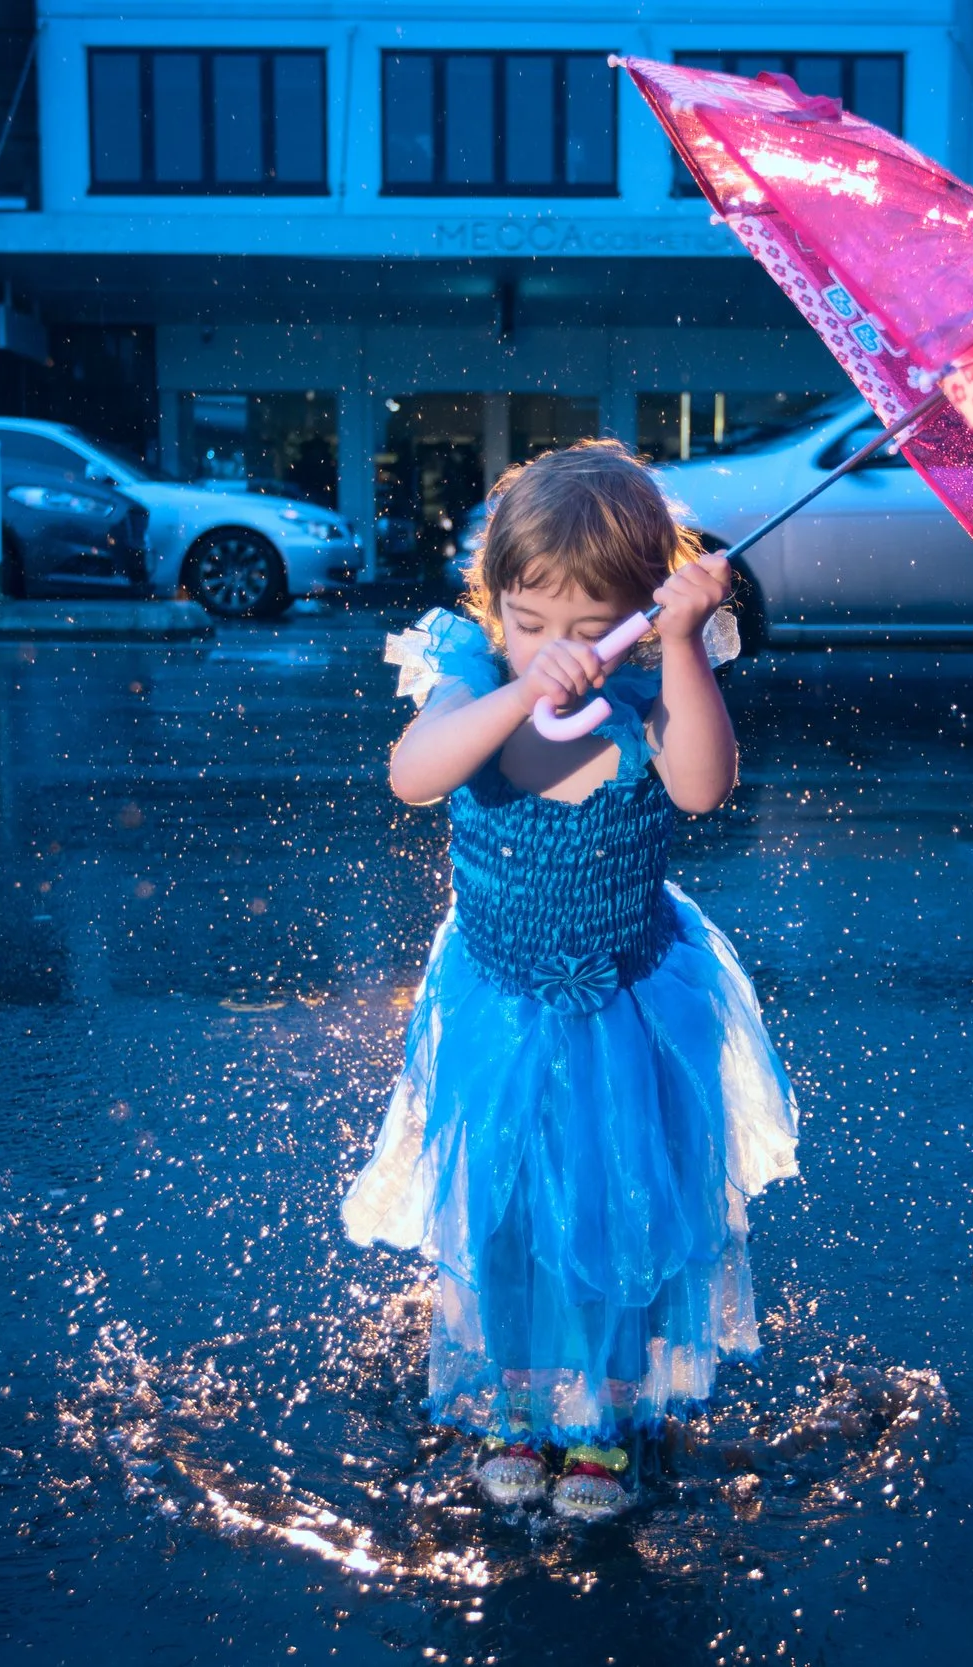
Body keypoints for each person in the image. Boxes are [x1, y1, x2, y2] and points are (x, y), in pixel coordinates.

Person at [342, 440, 799, 1523]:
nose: (557, 650)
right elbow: (416, 772)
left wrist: (682, 641)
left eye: (590, 630)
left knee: (612, 1210)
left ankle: (600, 1417)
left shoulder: (652, 688)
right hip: (498, 1006)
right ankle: (510, 1403)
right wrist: (517, 687)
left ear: (641, 612)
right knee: (500, 1209)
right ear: (493, 600)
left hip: (627, 1010)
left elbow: (700, 787)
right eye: (530, 619)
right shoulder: (469, 668)